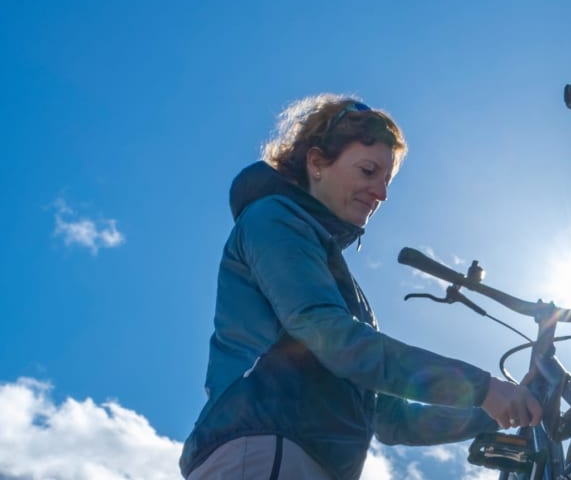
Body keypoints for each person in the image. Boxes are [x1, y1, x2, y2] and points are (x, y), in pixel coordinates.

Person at [179, 94, 542, 479]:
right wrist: (482, 387)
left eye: (387, 181)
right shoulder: (274, 220)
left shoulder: (329, 273)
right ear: (317, 163)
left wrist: (498, 410)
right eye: (369, 171)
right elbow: (333, 337)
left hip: (302, 458)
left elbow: (389, 419)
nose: (381, 193)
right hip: (267, 446)